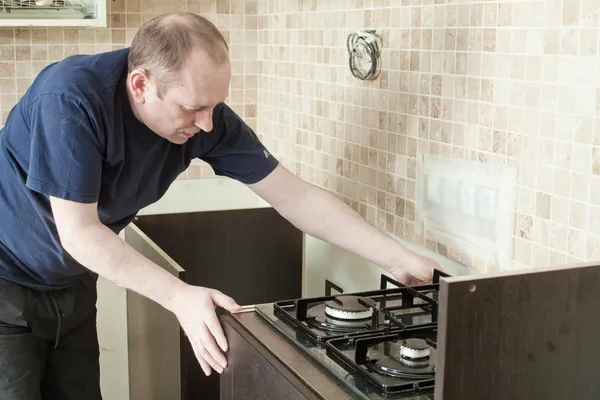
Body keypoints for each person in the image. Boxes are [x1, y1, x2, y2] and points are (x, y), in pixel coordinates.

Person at [0, 11, 440, 400]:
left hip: (72, 287)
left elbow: (295, 195)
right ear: (141, 85)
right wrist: (179, 296)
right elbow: (79, 233)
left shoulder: (205, 119)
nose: (207, 123)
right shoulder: (70, 100)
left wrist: (397, 257)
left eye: (215, 106)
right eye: (192, 108)